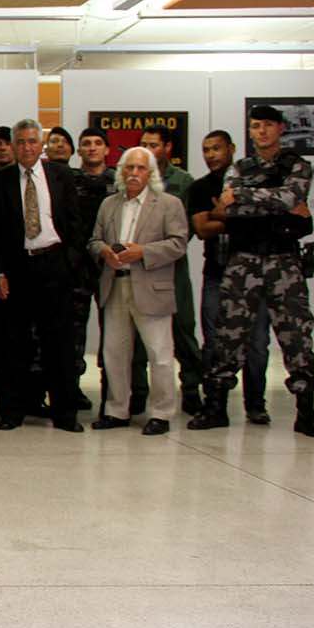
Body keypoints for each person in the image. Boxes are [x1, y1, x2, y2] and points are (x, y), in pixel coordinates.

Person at [191, 105, 314, 438]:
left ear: (280, 128)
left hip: (283, 262)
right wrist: (271, 203)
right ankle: (216, 408)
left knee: (296, 337)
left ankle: (306, 413)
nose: (261, 131)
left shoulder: (297, 166)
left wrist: (243, 197)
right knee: (228, 336)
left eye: (267, 125)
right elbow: (228, 209)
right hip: (243, 261)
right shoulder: (239, 168)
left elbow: (291, 197)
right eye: (255, 126)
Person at [0, 118, 84, 432]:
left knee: (59, 344)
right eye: (20, 142)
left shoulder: (62, 176)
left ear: (41, 145)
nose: (26, 147)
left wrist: (69, 264)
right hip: (16, 270)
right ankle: (13, 411)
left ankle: (65, 413)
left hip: (54, 265)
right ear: (13, 146)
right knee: (13, 344)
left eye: (32, 141)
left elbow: (75, 224)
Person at [89, 147, 189, 435]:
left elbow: (178, 244)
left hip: (151, 286)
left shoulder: (168, 204)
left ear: (151, 173)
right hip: (115, 284)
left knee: (159, 353)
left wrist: (142, 252)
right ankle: (117, 410)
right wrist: (103, 252)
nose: (134, 173)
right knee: (114, 353)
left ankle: (161, 413)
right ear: (121, 171)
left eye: (140, 168)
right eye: (129, 167)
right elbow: (94, 239)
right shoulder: (109, 204)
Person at [188, 130, 271, 424]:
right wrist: (238, 218)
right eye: (206, 149)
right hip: (216, 274)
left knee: (257, 343)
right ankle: (214, 403)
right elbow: (201, 229)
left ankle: (256, 404)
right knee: (213, 342)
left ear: (232, 149)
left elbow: (263, 223)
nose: (211, 155)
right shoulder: (200, 187)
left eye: (216, 148)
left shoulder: (254, 181)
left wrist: (221, 215)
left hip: (254, 275)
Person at [130, 124, 202, 416]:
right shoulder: (133, 178)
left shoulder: (183, 181)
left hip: (172, 267)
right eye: (144, 144)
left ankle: (191, 388)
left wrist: (158, 250)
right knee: (137, 334)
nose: (148, 150)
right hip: (137, 266)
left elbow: (187, 229)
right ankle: (138, 392)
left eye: (154, 145)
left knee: (183, 328)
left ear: (167, 147)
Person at [68, 127, 115, 412]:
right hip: (78, 267)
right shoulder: (68, 181)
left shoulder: (119, 182)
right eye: (86, 143)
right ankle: (72, 389)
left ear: (107, 149)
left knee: (114, 331)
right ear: (79, 151)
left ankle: (113, 390)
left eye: (98, 143)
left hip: (111, 264)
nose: (92, 148)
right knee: (74, 332)